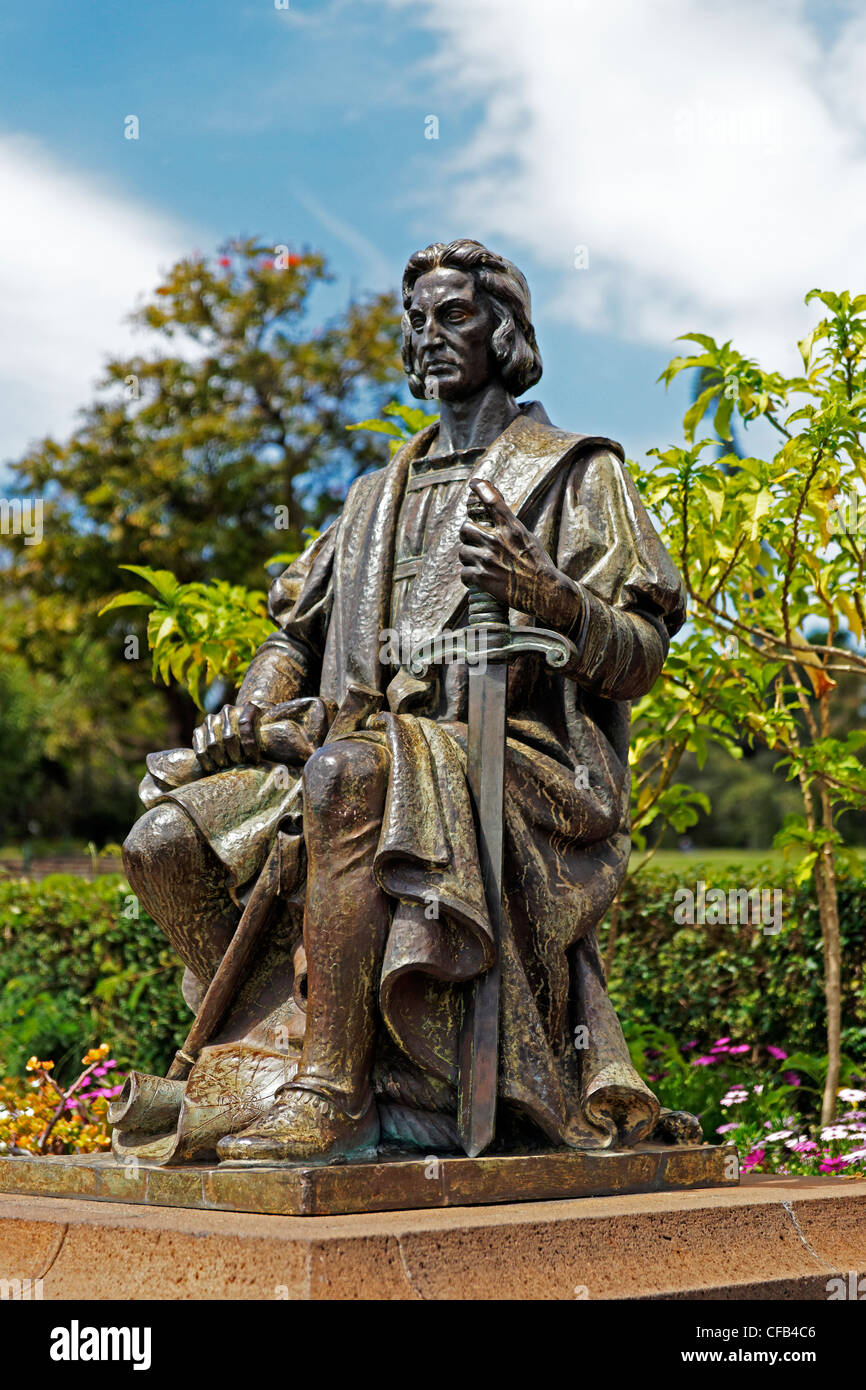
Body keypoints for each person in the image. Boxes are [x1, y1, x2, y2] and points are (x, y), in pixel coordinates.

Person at [123, 238, 694, 1165]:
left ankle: (334, 1093)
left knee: (350, 775)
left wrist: (548, 596)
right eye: (416, 320)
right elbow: (290, 634)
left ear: (504, 331)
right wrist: (253, 703)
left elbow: (639, 654)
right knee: (165, 841)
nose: (429, 336)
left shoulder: (577, 473)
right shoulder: (369, 497)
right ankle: (277, 1050)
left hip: (511, 767)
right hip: (349, 753)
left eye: (454, 315)